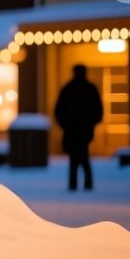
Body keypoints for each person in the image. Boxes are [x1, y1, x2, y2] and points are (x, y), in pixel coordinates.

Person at [54, 64, 103, 192]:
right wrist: (91, 123)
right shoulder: (89, 89)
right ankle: (85, 184)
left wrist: (65, 124)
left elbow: (58, 111)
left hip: (73, 130)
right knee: (82, 157)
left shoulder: (68, 89)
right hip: (82, 130)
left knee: (75, 159)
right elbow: (98, 111)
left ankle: (75, 184)